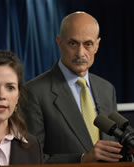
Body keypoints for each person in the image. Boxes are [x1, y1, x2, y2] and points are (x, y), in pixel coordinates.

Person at [23, 11, 123, 163]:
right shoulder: (34, 92)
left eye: (88, 44)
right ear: (59, 42)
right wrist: (82, 159)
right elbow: (33, 160)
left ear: (97, 45)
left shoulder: (107, 89)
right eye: (73, 43)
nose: (80, 53)